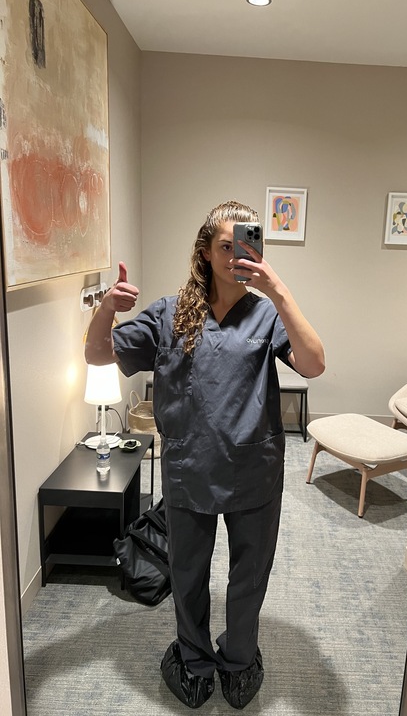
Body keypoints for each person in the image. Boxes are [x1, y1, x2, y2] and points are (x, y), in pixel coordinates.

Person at [85, 200, 325, 709]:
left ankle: (238, 659)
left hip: (254, 472)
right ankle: (194, 662)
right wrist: (107, 307)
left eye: (247, 245)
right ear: (206, 252)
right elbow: (98, 353)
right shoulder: (170, 313)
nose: (238, 256)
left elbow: (314, 363)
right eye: (226, 246)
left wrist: (278, 291)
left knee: (248, 576)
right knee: (188, 574)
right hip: (190, 471)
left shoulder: (266, 313)